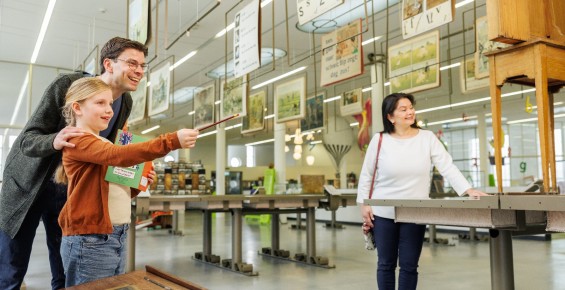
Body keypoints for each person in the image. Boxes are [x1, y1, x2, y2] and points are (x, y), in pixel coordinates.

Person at [0, 37, 148, 290]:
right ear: (108, 64)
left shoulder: (125, 103)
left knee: (65, 266)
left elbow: (106, 153)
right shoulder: (68, 85)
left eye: (143, 66)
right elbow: (27, 139)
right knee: (11, 267)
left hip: (69, 190)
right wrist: (54, 140)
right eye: (132, 63)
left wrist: (136, 176)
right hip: (28, 186)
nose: (139, 71)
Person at [53, 78, 199, 286]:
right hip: (92, 239)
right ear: (77, 107)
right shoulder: (78, 140)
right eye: (100, 103)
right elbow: (116, 156)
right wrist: (170, 141)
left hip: (115, 235)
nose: (109, 110)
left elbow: (114, 191)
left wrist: (138, 184)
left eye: (110, 104)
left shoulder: (101, 142)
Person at [357, 93, 487, 290]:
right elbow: (367, 174)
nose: (410, 112)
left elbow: (447, 166)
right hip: (383, 213)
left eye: (411, 107)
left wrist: (467, 189)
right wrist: (364, 204)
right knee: (386, 264)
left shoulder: (427, 138)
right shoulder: (380, 140)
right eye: (403, 109)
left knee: (409, 266)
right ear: (390, 117)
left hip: (415, 212)